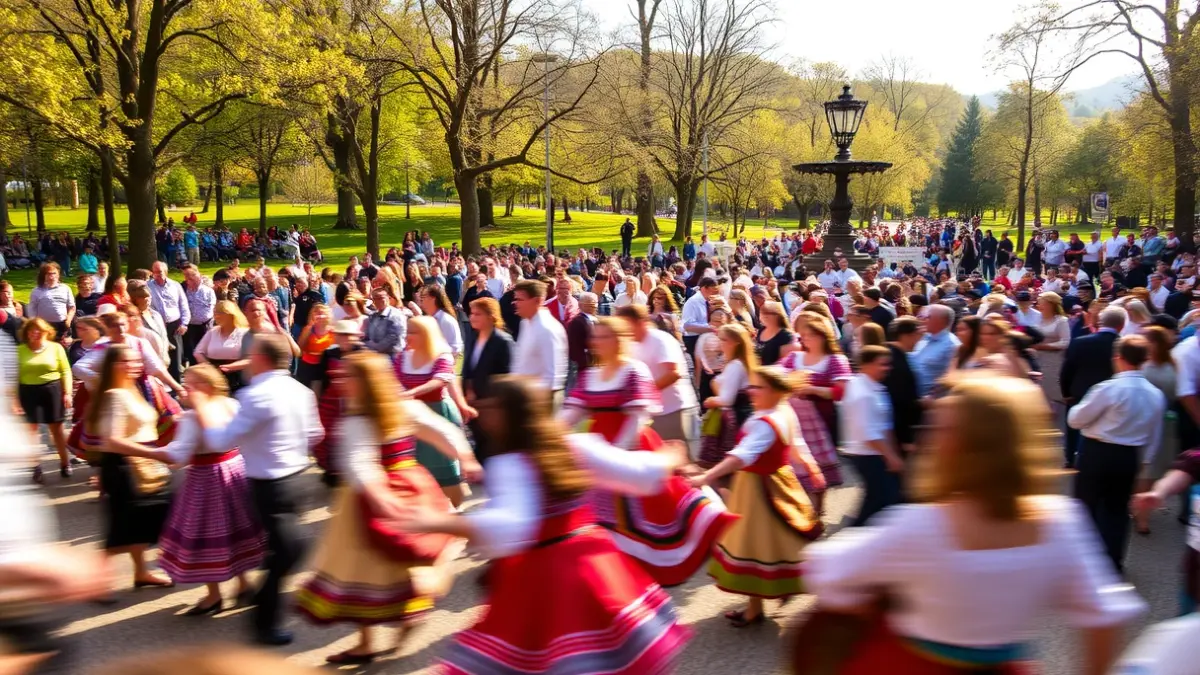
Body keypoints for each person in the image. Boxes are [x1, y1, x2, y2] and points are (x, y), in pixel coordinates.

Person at [800, 374, 1146, 675]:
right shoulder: (1061, 521)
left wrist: (862, 596)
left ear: (959, 446)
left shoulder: (920, 524)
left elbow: (824, 569)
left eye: (940, 429)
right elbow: (1105, 614)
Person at [396, 376, 691, 675]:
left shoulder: (511, 463)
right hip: (595, 564)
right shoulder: (573, 446)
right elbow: (635, 472)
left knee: (552, 657)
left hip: (546, 576)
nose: (484, 412)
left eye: (491, 406)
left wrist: (441, 522)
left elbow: (510, 526)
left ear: (509, 413)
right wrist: (666, 460)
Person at [295, 351, 475, 665]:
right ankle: (388, 630)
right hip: (404, 487)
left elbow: (362, 461)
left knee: (364, 568)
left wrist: (465, 456)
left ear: (366, 382)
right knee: (385, 566)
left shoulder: (362, 419)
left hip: (377, 496)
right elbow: (440, 433)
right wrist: (464, 455)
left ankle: (378, 635)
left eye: (348, 375)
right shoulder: (397, 409)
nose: (340, 379)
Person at [558, 317, 734, 587]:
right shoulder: (590, 375)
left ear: (618, 340)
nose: (595, 342)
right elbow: (571, 412)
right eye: (595, 336)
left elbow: (639, 416)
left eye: (602, 336)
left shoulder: (633, 370)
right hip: (602, 448)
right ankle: (613, 570)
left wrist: (617, 453)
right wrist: (548, 435)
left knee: (660, 504)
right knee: (599, 512)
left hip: (633, 445)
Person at [102, 364, 263, 615]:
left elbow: (177, 456)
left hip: (207, 477)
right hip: (235, 469)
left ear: (206, 387)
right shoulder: (231, 405)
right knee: (234, 530)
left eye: (190, 383)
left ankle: (213, 596)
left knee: (206, 536)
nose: (183, 387)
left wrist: (132, 448)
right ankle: (243, 585)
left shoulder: (192, 417)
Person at [198, 333, 323, 646]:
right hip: (294, 481)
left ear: (262, 359)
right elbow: (315, 435)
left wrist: (203, 408)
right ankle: (263, 617)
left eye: (251, 355)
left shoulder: (255, 396)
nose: (247, 361)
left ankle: (261, 614)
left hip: (273, 486)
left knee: (288, 551)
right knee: (289, 550)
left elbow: (221, 441)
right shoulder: (300, 390)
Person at [689, 365, 824, 626]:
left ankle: (756, 608)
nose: (750, 391)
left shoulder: (766, 422)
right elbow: (796, 444)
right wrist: (810, 466)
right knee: (777, 542)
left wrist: (706, 477)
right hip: (780, 482)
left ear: (774, 391)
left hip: (758, 488)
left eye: (757, 387)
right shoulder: (782, 410)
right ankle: (773, 594)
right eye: (751, 385)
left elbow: (742, 455)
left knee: (752, 545)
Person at [1068, 334, 1166, 573]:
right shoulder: (1155, 393)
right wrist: (1145, 461)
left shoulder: (1107, 388)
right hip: (1128, 455)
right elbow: (1155, 433)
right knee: (1117, 509)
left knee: (1086, 506)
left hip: (1097, 451)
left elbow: (1075, 419)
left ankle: (1084, 563)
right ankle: (1112, 561)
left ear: (1118, 357)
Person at [89, 344, 176, 597]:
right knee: (122, 528)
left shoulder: (133, 389)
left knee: (142, 521)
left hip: (142, 463)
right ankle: (96, 582)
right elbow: (110, 440)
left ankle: (141, 572)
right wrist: (154, 453)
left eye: (137, 360)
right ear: (113, 366)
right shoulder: (115, 395)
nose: (135, 365)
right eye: (127, 361)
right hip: (123, 467)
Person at [395, 316, 473, 507]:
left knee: (446, 470)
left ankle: (457, 509)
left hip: (438, 414)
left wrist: (412, 392)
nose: (408, 336)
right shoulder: (402, 357)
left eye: (413, 331)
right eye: (408, 331)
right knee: (418, 469)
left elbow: (440, 380)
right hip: (413, 418)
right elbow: (393, 380)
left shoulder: (442, 355)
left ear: (425, 335)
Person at [781, 314, 853, 485]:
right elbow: (777, 375)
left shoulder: (835, 360)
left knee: (817, 469)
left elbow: (841, 392)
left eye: (811, 335)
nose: (805, 339)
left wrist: (811, 389)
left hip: (822, 418)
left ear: (823, 336)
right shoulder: (794, 357)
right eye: (803, 336)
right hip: (794, 418)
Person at [622, 304, 700, 453]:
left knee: (680, 464)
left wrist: (644, 393)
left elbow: (673, 373)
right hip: (650, 414)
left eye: (626, 325)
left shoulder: (660, 339)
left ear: (640, 322)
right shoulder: (631, 344)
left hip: (674, 412)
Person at [842, 345, 902, 526]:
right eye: (881, 364)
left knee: (879, 498)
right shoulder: (863, 394)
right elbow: (867, 432)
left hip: (872, 452)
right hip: (868, 454)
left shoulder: (867, 385)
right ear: (866, 365)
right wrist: (891, 456)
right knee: (880, 499)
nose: (887, 369)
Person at [1060, 307, 1125, 467]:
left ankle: (1070, 457)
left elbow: (1067, 369)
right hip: (1112, 395)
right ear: (1122, 325)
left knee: (1075, 426)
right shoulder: (1123, 344)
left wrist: (1066, 392)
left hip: (1080, 391)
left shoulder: (1080, 342)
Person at [1134, 325, 1178, 536]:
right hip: (1153, 421)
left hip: (1151, 423)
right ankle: (1140, 511)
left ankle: (1142, 517)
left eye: (1146, 338)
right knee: (1146, 470)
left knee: (1147, 471)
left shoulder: (1148, 367)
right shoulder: (1171, 365)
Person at [17, 318, 73, 481]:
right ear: (26, 333)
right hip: (28, 391)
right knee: (31, 431)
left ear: (46, 332)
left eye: (38, 330)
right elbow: (14, 375)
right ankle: (36, 467)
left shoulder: (56, 348)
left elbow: (66, 372)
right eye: (31, 330)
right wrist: (14, 400)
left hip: (52, 390)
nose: (35, 333)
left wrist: (67, 393)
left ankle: (65, 462)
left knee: (56, 430)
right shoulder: (20, 350)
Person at [460, 297, 513, 463]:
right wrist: (468, 390)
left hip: (491, 403)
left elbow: (506, 374)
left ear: (491, 316)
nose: (472, 318)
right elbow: (468, 368)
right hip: (474, 401)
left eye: (478, 314)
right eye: (471, 313)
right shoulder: (473, 337)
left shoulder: (502, 341)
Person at [699, 323, 756, 470]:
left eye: (724, 340)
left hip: (736, 419)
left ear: (736, 343)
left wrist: (710, 401)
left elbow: (727, 400)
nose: (720, 342)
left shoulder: (735, 366)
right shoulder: (736, 363)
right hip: (740, 416)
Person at [511, 279, 568, 410]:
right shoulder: (525, 323)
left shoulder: (548, 328)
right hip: (523, 399)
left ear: (537, 301)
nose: (515, 303)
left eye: (520, 299)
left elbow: (552, 377)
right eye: (515, 299)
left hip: (541, 403)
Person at [193, 301, 249, 393]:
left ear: (230, 315)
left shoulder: (244, 333)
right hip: (214, 377)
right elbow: (198, 352)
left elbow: (251, 359)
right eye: (215, 313)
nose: (216, 316)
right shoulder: (212, 332)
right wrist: (209, 367)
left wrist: (231, 367)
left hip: (238, 377)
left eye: (220, 313)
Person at [148, 262, 190, 381]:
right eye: (155, 272)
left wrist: (184, 323)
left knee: (175, 354)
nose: (157, 275)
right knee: (160, 354)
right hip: (156, 325)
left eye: (160, 272)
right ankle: (163, 381)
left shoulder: (175, 285)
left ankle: (176, 381)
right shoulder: (148, 286)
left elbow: (183, 304)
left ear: (165, 272)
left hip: (174, 325)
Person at [910, 304, 961, 397]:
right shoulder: (924, 337)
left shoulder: (952, 345)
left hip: (930, 402)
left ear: (941, 320)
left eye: (928, 317)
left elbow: (952, 377)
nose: (924, 320)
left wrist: (931, 398)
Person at [27, 262, 75, 338]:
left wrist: (68, 320)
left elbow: (72, 307)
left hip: (62, 325)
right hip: (44, 325)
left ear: (59, 274)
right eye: (49, 274)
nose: (52, 276)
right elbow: (31, 308)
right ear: (44, 276)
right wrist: (35, 322)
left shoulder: (65, 288)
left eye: (54, 273)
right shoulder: (37, 291)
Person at [420, 284, 463, 357]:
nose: (421, 301)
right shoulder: (428, 319)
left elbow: (455, 348)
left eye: (423, 298)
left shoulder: (446, 320)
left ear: (432, 298)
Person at [756, 300, 794, 366]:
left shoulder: (785, 335)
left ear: (778, 315)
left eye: (769, 313)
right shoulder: (761, 330)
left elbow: (784, 361)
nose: (765, 316)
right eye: (763, 313)